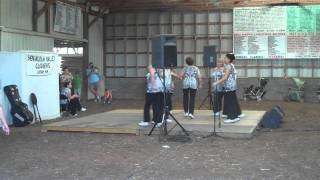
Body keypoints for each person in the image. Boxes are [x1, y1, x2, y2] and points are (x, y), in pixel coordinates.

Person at [212, 53, 244, 123]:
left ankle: (233, 117)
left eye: (225, 58)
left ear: (229, 59)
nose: (224, 59)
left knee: (230, 102)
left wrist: (216, 82)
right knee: (232, 101)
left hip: (229, 86)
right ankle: (236, 114)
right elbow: (224, 73)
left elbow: (225, 77)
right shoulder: (230, 65)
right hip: (231, 86)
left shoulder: (229, 66)